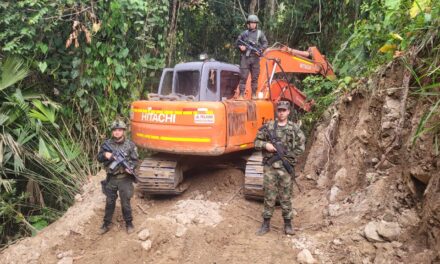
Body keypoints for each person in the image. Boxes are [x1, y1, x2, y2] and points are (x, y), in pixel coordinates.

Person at [254, 100, 305, 235]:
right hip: (270, 167)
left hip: (285, 168)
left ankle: (288, 224)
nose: (281, 113)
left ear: (288, 112)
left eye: (284, 110)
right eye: (279, 110)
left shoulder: (294, 129)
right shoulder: (269, 127)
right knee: (269, 196)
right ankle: (266, 224)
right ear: (277, 111)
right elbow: (256, 142)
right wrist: (266, 146)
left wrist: (289, 157)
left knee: (286, 197)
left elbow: (301, 147)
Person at [97, 120, 139, 234]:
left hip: (124, 179)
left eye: (119, 130)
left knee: (125, 203)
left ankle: (129, 223)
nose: (117, 132)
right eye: (115, 130)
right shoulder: (107, 144)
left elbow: (135, 161)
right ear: (112, 132)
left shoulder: (130, 145)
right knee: (109, 202)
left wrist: (130, 168)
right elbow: (99, 157)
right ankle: (106, 224)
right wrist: (106, 155)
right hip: (111, 179)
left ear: (123, 131)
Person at [235, 14, 268, 99]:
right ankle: (241, 95)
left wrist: (260, 50)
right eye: (251, 23)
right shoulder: (244, 34)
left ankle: (254, 94)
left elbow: (265, 43)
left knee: (255, 77)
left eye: (255, 23)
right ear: (248, 24)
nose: (253, 24)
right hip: (245, 58)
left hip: (255, 58)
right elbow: (237, 42)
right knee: (243, 77)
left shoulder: (260, 34)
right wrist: (240, 47)